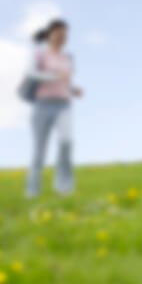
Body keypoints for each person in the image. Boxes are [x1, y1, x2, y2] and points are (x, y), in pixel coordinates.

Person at [25, 18, 83, 198]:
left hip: (64, 104)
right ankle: (32, 191)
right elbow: (31, 73)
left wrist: (74, 90)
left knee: (66, 143)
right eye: (58, 33)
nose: (62, 37)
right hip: (43, 105)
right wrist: (55, 75)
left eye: (65, 34)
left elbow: (66, 81)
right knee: (39, 150)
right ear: (50, 34)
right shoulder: (39, 54)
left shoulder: (68, 58)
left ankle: (64, 187)